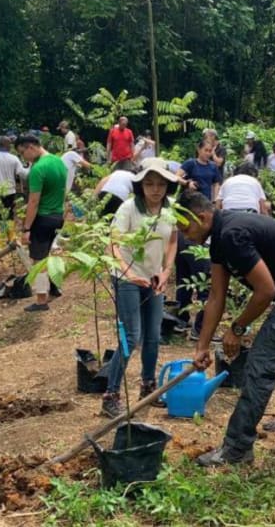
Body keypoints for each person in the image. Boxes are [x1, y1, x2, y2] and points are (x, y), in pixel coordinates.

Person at [176, 190, 275, 466]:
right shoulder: (220, 238)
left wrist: (236, 329)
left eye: (185, 228)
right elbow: (216, 296)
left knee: (260, 365)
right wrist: (201, 346)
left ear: (202, 217)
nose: (184, 236)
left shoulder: (232, 235)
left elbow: (265, 290)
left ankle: (237, 448)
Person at [101, 160, 180, 418]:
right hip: (126, 278)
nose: (155, 189)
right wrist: (129, 273)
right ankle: (111, 395)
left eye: (160, 184)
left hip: (153, 279)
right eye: (149, 183)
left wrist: (166, 271)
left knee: (153, 336)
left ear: (167, 186)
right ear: (140, 185)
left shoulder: (170, 210)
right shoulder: (128, 209)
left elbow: (172, 241)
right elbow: (113, 245)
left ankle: (148, 387)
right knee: (131, 336)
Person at [16, 133, 67, 312]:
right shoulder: (58, 162)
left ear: (31, 147)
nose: (23, 158)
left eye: (23, 153)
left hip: (43, 218)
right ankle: (54, 287)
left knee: (38, 259)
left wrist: (26, 228)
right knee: (48, 254)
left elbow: (33, 201)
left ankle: (41, 299)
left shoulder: (37, 169)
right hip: (57, 216)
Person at [0, 136, 26, 224]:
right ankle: (9, 234)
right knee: (9, 215)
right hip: (10, 192)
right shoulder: (14, 158)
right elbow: (22, 173)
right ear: (9, 146)